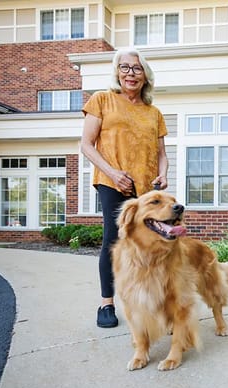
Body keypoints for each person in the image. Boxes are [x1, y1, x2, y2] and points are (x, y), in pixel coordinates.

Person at [81, 48, 168, 328]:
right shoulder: (102, 100)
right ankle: (106, 304)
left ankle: (145, 300)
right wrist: (113, 173)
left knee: (147, 243)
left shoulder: (154, 113)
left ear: (146, 76)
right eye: (125, 68)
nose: (131, 74)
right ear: (117, 72)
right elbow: (86, 145)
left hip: (145, 187)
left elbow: (161, 154)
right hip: (111, 181)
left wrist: (163, 174)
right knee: (114, 239)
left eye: (137, 68)